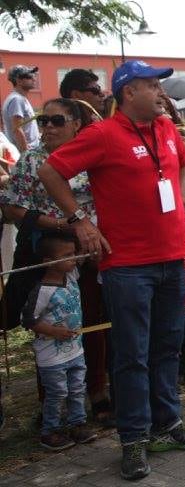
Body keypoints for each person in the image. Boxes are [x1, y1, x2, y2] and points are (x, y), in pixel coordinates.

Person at [39, 60, 185, 481]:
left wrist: (184, 195)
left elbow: (184, 157)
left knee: (168, 347)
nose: (160, 92)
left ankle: (167, 425)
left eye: (159, 84)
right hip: (128, 265)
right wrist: (79, 221)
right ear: (127, 92)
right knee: (132, 355)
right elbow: (50, 171)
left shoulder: (167, 129)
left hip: (173, 257)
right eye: (151, 84)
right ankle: (133, 439)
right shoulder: (102, 134)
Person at [0, 98, 113, 427]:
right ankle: (52, 404)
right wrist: (63, 226)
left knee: (91, 323)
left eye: (56, 121)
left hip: (92, 252)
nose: (47, 126)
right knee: (51, 327)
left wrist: (94, 233)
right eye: (44, 120)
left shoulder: (93, 156)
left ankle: (97, 394)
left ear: (76, 124)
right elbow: (11, 208)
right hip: (47, 253)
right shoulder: (32, 159)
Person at [21, 234, 98, 451]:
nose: (73, 259)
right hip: (52, 356)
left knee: (77, 388)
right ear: (48, 261)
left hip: (75, 351)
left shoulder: (72, 275)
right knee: (57, 393)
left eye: (73, 254)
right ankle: (50, 431)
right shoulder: (42, 291)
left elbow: (85, 255)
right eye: (66, 256)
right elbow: (28, 320)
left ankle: (78, 424)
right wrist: (53, 331)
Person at [4, 65, 41, 151]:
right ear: (19, 81)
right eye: (29, 77)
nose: (34, 79)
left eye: (34, 76)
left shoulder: (19, 98)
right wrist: (26, 154)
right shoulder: (17, 99)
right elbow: (17, 128)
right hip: (25, 152)